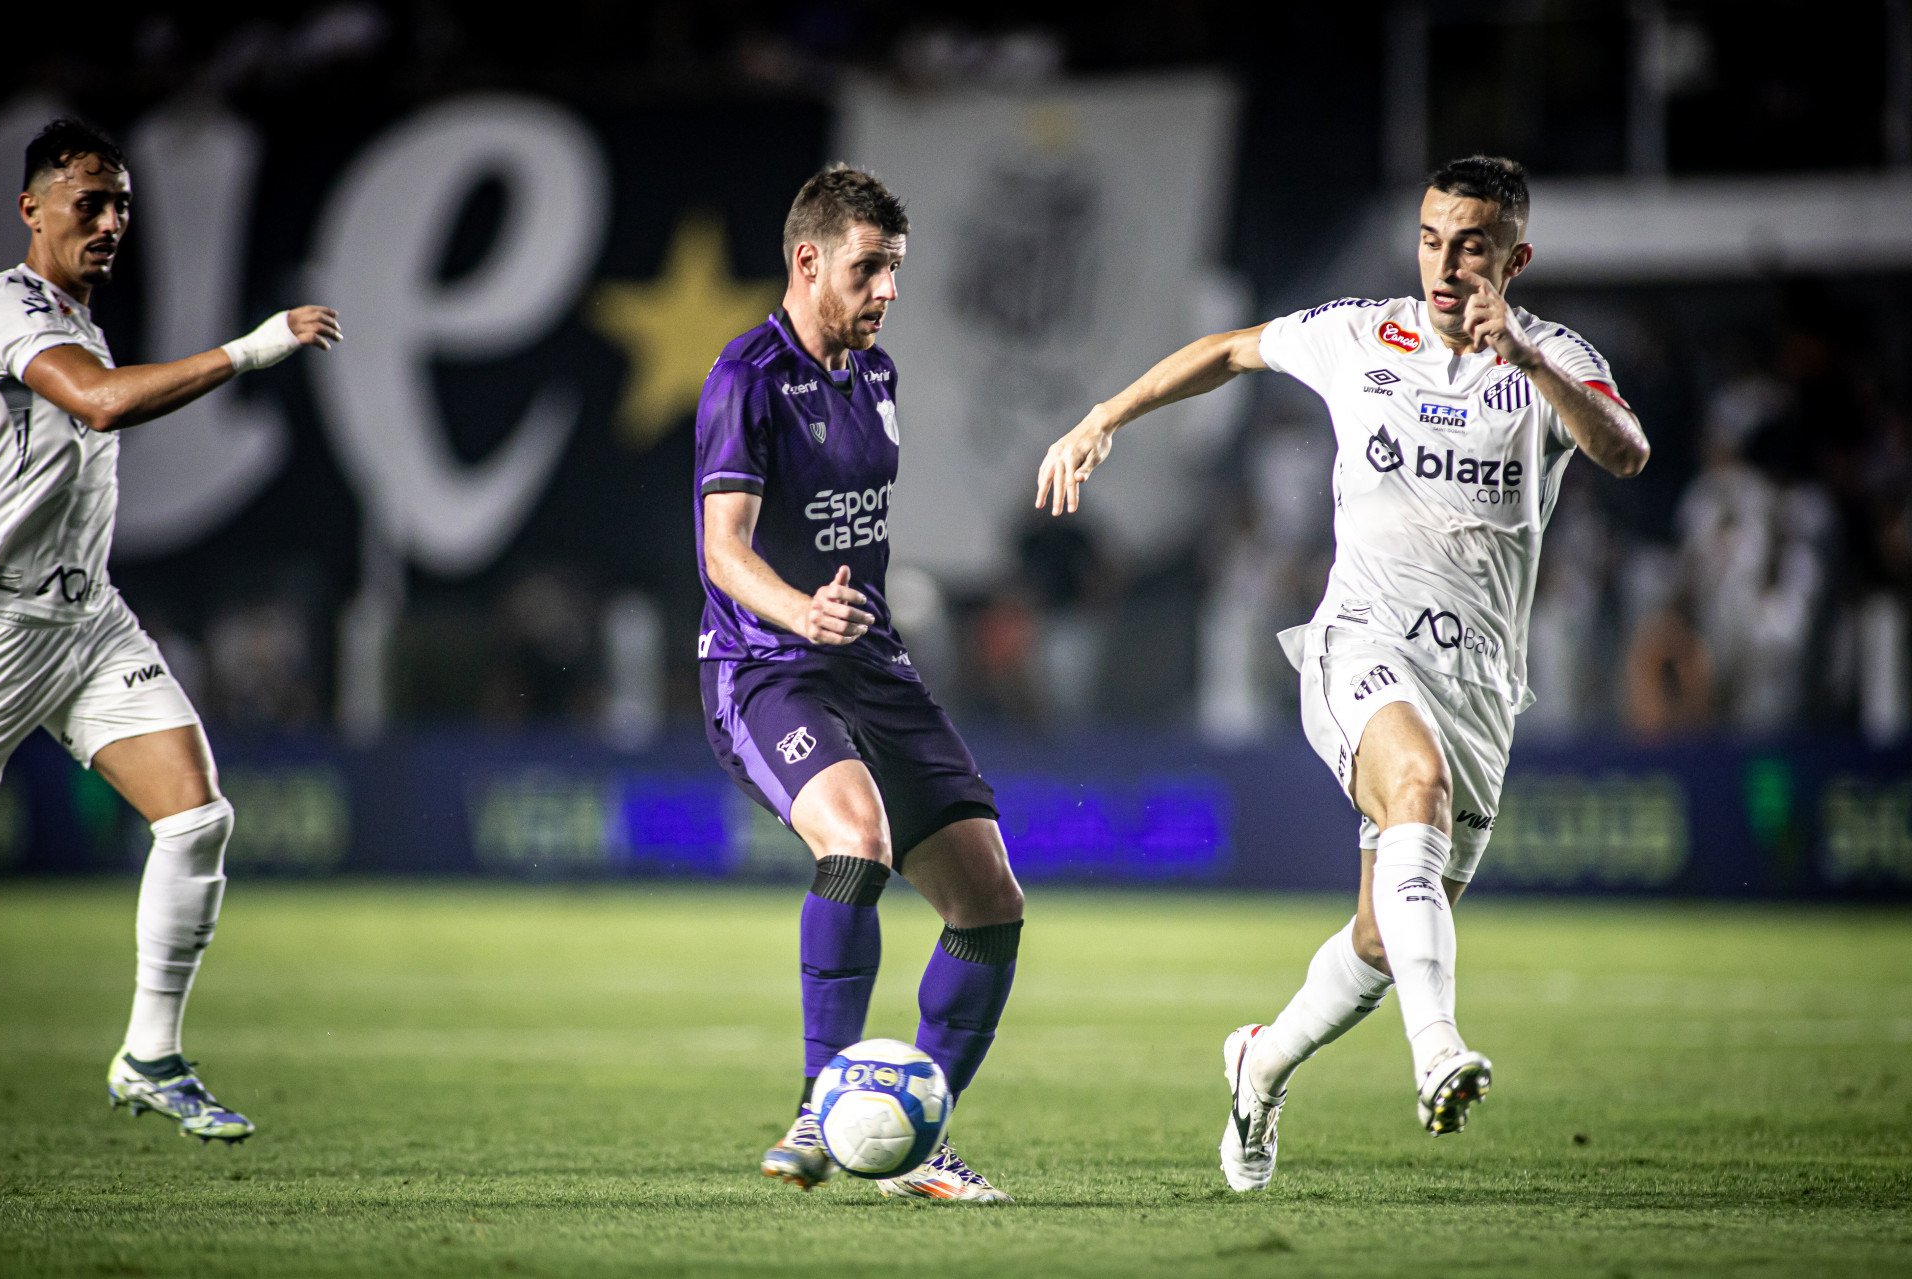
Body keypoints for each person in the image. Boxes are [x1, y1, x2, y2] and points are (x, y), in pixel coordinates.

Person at [1035, 156, 1649, 1189]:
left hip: (1482, 685)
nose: (1445, 264)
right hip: (1361, 644)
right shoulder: (1362, 335)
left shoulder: (1552, 360)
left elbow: (1625, 451)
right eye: (1430, 238)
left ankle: (1258, 1063)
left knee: (1380, 931)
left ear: (1515, 256)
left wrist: (1532, 365)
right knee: (1415, 788)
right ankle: (1438, 1050)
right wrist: (1105, 415)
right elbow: (1232, 352)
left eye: (1471, 245)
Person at [0, 119, 341, 1143]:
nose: (109, 222)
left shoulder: (76, 316)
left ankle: (151, 1055)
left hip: (83, 615)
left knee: (196, 819)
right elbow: (96, 406)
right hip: (2, 620)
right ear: (31, 208)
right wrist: (252, 347)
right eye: (87, 202)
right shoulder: (10, 307)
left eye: (121, 205)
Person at [695, 164, 1022, 1202]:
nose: (888, 289)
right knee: (857, 841)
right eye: (868, 268)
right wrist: (800, 611)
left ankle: (913, 1143)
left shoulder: (874, 375)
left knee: (990, 904)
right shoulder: (746, 376)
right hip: (769, 667)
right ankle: (816, 1104)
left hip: (872, 665)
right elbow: (723, 550)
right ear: (808, 261)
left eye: (896, 270)